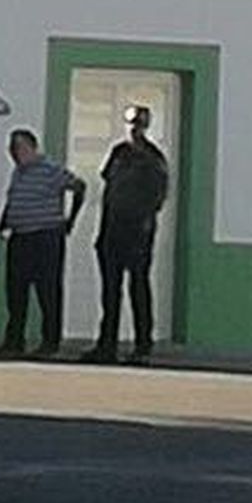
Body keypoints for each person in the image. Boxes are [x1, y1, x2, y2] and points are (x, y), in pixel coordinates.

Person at [80, 105, 169, 365]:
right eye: (130, 123)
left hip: (138, 233)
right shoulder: (119, 153)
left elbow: (158, 197)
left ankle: (143, 346)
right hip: (112, 230)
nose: (134, 128)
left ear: (146, 126)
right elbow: (108, 183)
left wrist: (143, 227)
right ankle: (106, 345)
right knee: (110, 291)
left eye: (139, 124)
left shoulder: (154, 158)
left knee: (138, 288)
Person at [0, 129, 85, 359]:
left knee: (48, 291)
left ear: (33, 147)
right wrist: (6, 218)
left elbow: (79, 186)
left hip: (45, 237)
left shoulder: (50, 169)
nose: (16, 153)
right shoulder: (18, 173)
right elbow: (15, 198)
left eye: (20, 148)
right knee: (15, 292)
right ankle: (14, 341)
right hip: (20, 236)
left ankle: (50, 342)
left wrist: (70, 220)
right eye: (13, 148)